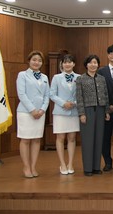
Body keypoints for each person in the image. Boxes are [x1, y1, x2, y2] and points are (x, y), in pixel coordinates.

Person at [16, 50, 50, 178]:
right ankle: (26, 167)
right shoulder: (22, 75)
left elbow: (47, 95)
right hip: (26, 112)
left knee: (36, 140)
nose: (37, 62)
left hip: (40, 113)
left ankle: (33, 166)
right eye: (34, 60)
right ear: (29, 61)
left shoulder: (44, 77)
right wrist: (32, 110)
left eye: (39, 60)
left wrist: (42, 110)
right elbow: (21, 94)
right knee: (25, 140)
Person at [76, 54, 110, 176]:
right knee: (87, 140)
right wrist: (81, 113)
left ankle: (96, 167)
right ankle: (88, 168)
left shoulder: (101, 78)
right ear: (86, 65)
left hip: (100, 110)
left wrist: (106, 111)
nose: (93, 65)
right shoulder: (80, 79)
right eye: (90, 62)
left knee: (98, 139)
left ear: (98, 65)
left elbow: (106, 95)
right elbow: (79, 97)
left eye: (95, 62)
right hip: (87, 111)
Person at [49, 54, 80, 175]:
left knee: (72, 138)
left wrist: (74, 103)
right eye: (65, 62)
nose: (67, 64)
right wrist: (63, 103)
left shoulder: (79, 77)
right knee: (60, 138)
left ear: (74, 64)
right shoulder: (56, 77)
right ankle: (62, 164)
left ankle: (70, 163)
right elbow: (52, 94)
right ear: (62, 64)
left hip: (74, 111)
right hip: (60, 112)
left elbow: (81, 94)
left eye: (70, 62)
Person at [96, 43, 113, 172]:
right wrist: (108, 107)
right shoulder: (101, 71)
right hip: (106, 111)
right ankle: (107, 162)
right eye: (111, 53)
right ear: (108, 55)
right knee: (105, 139)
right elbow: (100, 91)